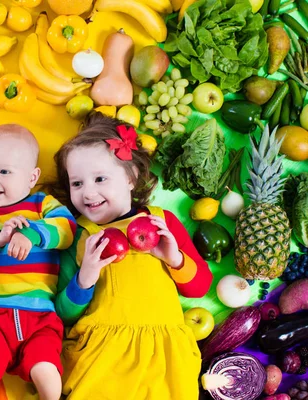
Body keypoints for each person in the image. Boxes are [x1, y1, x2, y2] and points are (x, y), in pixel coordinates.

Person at [52, 112, 213, 400]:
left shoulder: (161, 223)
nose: (88, 192)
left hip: (164, 357)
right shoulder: (79, 235)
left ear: (130, 177)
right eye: (77, 184)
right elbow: (62, 313)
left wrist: (174, 259)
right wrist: (84, 279)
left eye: (100, 178)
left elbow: (200, 287)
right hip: (103, 359)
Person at [0, 124, 77, 400]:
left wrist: (31, 234)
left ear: (32, 177)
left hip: (40, 317)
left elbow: (67, 229)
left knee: (45, 366)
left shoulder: (42, 204)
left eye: (4, 172)